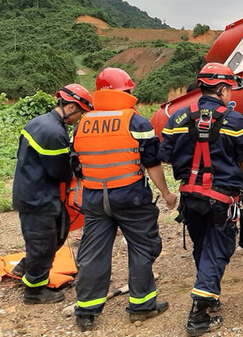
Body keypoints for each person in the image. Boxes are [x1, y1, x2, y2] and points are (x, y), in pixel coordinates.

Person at [72, 68, 177, 332]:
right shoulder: (135, 121)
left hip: (94, 197)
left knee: (93, 253)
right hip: (130, 196)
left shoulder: (82, 123)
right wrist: (166, 193)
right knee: (142, 247)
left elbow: (75, 164)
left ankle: (86, 311)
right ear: (126, 92)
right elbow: (152, 162)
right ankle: (142, 306)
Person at [159, 62, 243, 336]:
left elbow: (164, 155)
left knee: (203, 248)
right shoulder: (235, 120)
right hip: (222, 198)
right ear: (222, 89)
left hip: (190, 196)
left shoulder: (177, 118)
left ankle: (209, 295)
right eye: (229, 90)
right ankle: (198, 316)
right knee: (218, 249)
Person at [12, 84, 93, 304]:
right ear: (70, 107)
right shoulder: (53, 132)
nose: (80, 117)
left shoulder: (40, 122)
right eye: (80, 112)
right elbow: (60, 172)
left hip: (33, 191)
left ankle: (25, 268)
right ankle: (35, 292)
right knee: (42, 244)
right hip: (38, 197)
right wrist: (76, 167)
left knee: (53, 237)